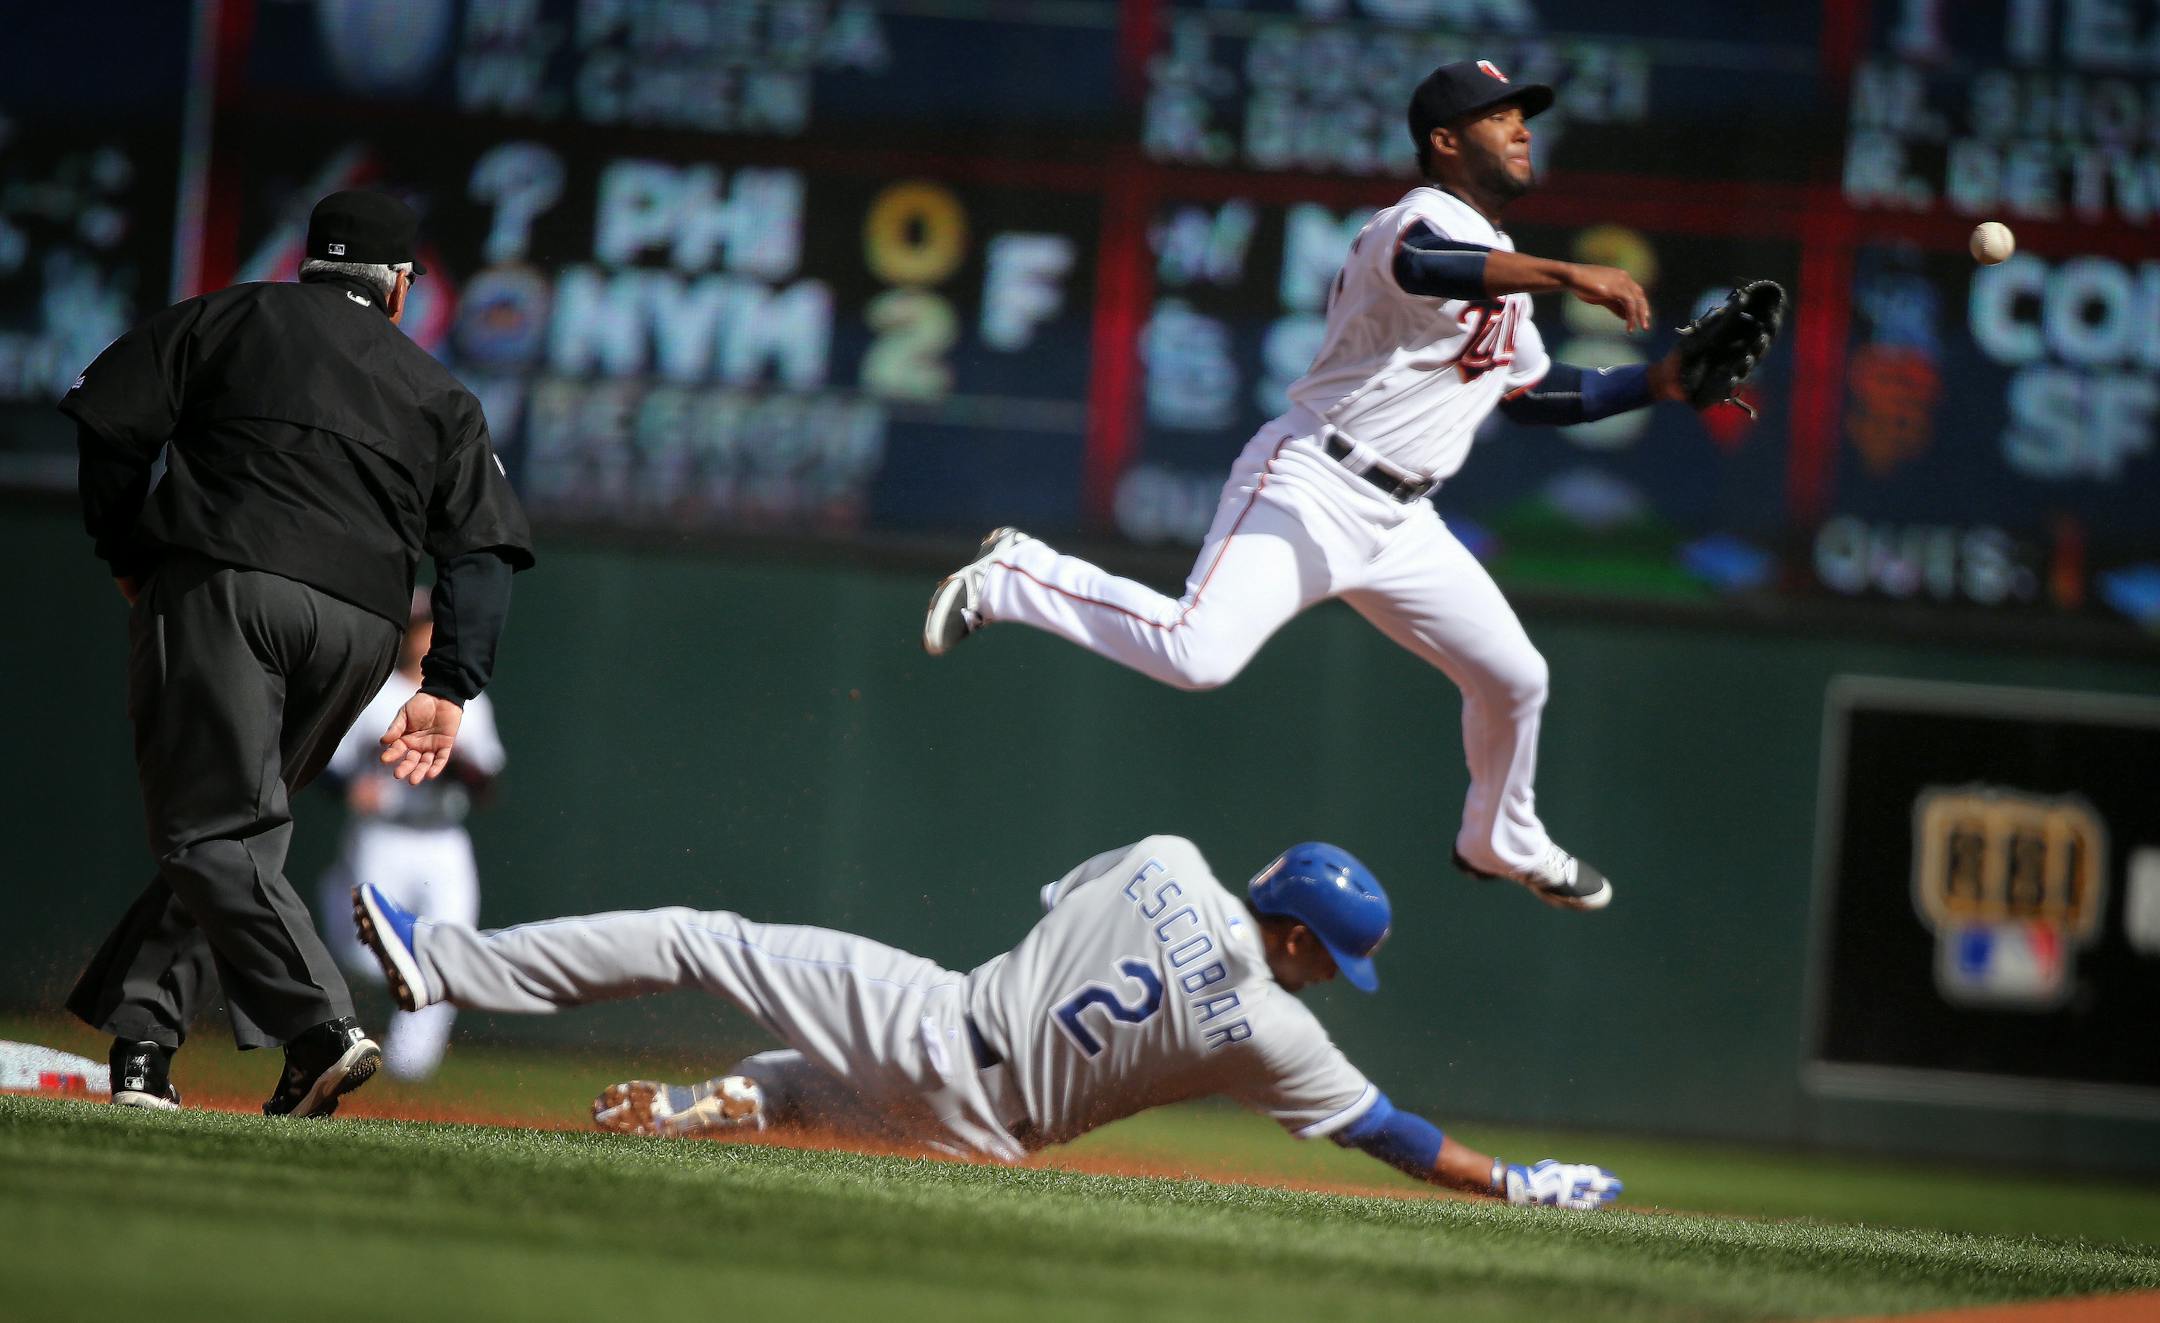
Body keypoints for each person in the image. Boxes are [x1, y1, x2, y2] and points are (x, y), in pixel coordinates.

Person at [924, 60, 1751, 913]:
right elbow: (1428, 265)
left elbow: (1533, 393)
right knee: (1197, 655)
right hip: (1313, 481)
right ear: (1445, 140)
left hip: (1403, 522)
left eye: (1523, 116)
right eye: (1499, 116)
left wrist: (1660, 383)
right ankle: (1016, 574)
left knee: (1515, 678)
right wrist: (1571, 274)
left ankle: (1500, 837)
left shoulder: (1504, 269)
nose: (1520, 129)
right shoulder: (1413, 222)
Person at [352, 836, 1623, 1208]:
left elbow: (1056, 905)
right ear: (1292, 934)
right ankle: (722, 1103)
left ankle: (441, 966)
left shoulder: (1169, 860)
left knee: (703, 938)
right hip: (978, 1139)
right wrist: (1513, 1183)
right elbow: (1392, 1133)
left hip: (938, 1029)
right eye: (1330, 959)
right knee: (804, 1087)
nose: (1331, 979)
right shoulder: (1269, 1032)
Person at [62, 189, 535, 1117]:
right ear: (399, 286)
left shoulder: (225, 316)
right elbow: (484, 549)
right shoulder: (437, 387)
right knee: (238, 832)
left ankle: (319, 1024)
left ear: (312, 259)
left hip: (229, 584)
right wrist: (450, 683)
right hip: (359, 629)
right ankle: (144, 1051)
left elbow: (108, 418)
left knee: (207, 830)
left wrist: (125, 550)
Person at [318, 590, 508, 1081]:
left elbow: (487, 784)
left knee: (449, 953)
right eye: (420, 627)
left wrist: (453, 762)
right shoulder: (373, 694)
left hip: (443, 841)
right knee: (364, 956)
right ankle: (335, 893)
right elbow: (327, 765)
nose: (426, 637)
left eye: (433, 628)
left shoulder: (466, 700)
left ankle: (408, 1071)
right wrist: (348, 789)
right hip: (381, 838)